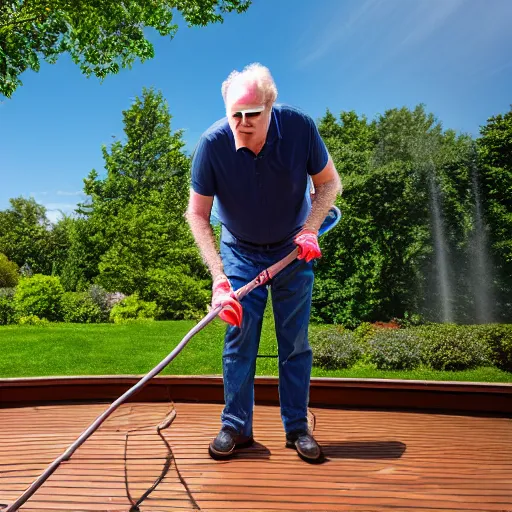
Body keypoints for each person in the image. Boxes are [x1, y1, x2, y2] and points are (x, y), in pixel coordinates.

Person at [186, 63, 342, 464]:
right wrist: (219, 278)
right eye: (234, 115)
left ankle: (297, 428)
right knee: (239, 339)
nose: (242, 123)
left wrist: (310, 229)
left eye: (252, 114)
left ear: (270, 108)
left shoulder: (299, 128)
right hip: (239, 250)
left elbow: (328, 184)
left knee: (294, 343)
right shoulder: (212, 144)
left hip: (293, 247)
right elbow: (197, 214)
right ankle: (236, 427)